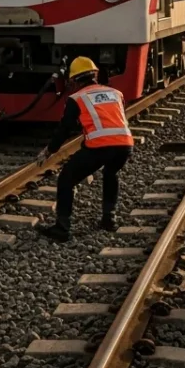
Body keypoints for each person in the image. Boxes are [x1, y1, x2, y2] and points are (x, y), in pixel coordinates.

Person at [35, 57, 134, 242]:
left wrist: (49, 150)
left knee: (66, 179)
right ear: (95, 75)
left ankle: (62, 229)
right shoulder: (116, 93)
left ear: (74, 80)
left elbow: (65, 128)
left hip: (99, 147)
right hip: (125, 144)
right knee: (111, 173)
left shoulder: (77, 98)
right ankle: (109, 219)